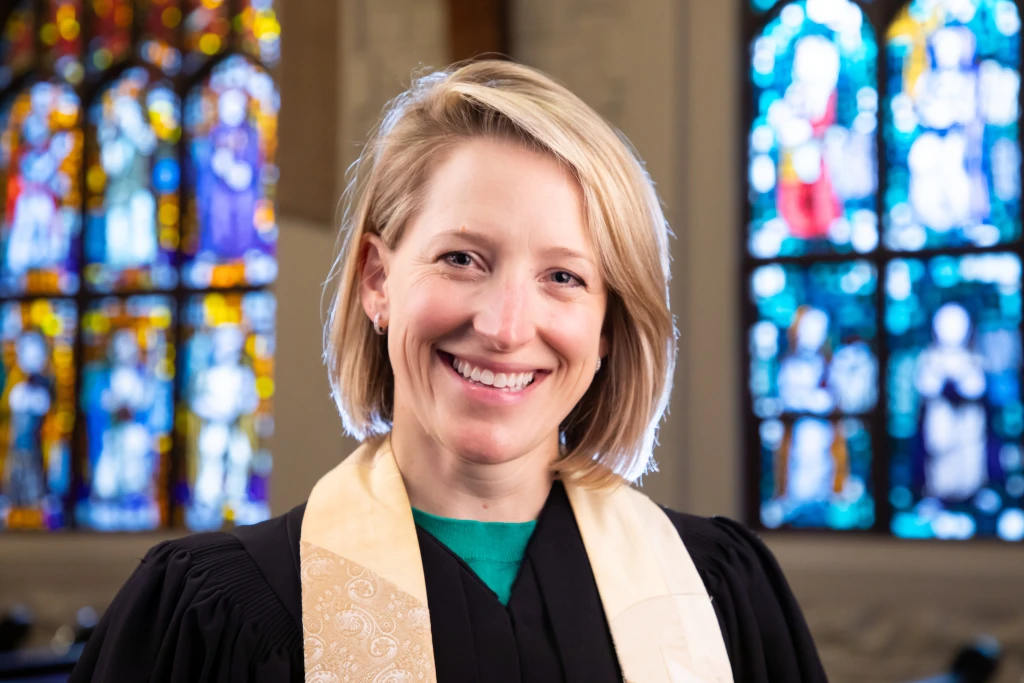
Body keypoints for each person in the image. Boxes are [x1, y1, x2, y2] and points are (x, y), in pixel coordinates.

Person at [71, 60, 827, 683]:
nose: (505, 327)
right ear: (377, 280)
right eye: (462, 258)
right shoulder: (212, 616)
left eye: (564, 277)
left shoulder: (717, 594)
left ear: (607, 326)